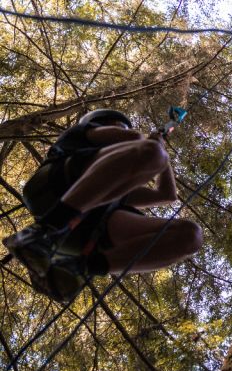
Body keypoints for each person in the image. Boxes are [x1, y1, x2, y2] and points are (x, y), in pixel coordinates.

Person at [3, 108, 203, 301]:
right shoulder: (82, 133)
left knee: (189, 236)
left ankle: (83, 267)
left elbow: (166, 194)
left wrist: (161, 147)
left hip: (81, 233)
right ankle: (45, 229)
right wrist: (154, 144)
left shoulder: (112, 184)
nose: (124, 131)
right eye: (120, 126)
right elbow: (137, 141)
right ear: (101, 122)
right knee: (152, 153)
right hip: (53, 186)